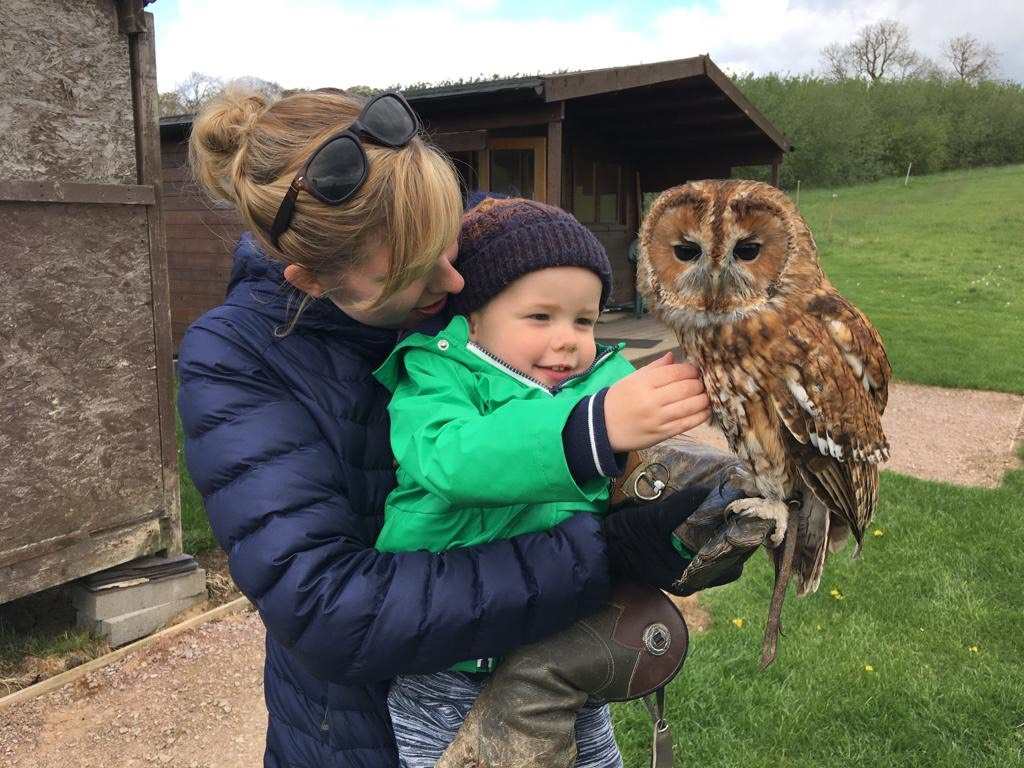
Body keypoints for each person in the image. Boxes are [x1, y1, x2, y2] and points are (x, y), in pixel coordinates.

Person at [178, 86, 724, 768]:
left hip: (548, 658)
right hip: (363, 730)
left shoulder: (474, 256)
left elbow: (567, 359)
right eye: (416, 269)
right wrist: (599, 554)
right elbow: (325, 604)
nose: (456, 279)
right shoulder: (235, 357)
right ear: (313, 281)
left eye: (448, 240)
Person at [375, 198, 711, 767]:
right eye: (541, 317)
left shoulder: (600, 384)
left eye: (584, 320)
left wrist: (686, 512)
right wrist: (589, 429)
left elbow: (635, 487)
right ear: (474, 317)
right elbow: (452, 461)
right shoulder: (437, 375)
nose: (568, 340)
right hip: (446, 667)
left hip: (567, 648)